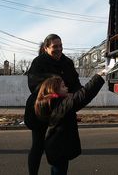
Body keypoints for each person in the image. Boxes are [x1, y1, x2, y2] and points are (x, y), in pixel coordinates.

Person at [24, 34, 82, 175]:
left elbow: (75, 84)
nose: (59, 49)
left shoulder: (67, 62)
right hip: (42, 111)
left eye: (60, 46)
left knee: (61, 149)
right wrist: (58, 95)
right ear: (46, 48)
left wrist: (75, 97)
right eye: (55, 46)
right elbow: (34, 86)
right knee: (38, 147)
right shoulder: (38, 62)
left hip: (62, 112)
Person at [35, 72, 106, 175]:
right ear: (54, 90)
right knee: (59, 171)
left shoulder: (53, 103)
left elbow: (62, 116)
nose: (66, 88)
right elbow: (82, 96)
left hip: (57, 149)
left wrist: (71, 118)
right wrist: (98, 77)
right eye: (63, 86)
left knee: (57, 170)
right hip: (58, 150)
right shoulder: (58, 104)